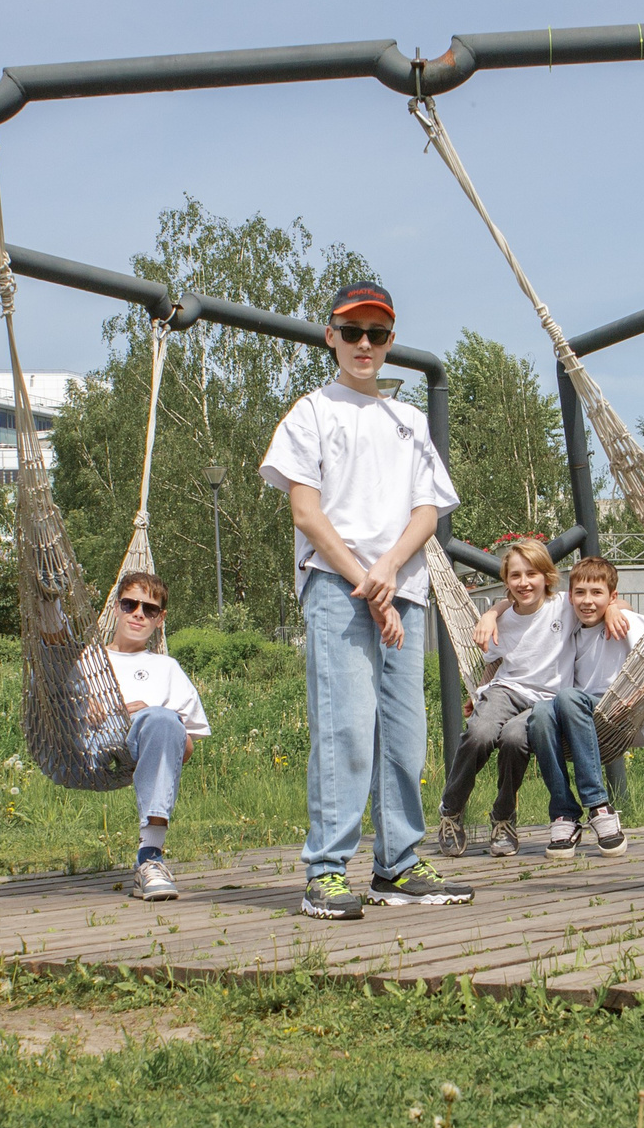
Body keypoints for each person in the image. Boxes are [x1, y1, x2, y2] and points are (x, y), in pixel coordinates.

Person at [260, 279, 474, 921]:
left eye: (376, 334)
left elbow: (427, 511)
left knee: (406, 740)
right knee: (348, 729)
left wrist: (387, 572)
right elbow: (306, 510)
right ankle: (325, 870)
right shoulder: (311, 413)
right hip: (336, 588)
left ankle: (398, 864)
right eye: (351, 331)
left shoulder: (407, 422)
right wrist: (363, 579)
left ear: (389, 342)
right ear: (330, 336)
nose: (363, 344)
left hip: (402, 588)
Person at [438, 540, 571, 859]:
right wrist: (480, 696)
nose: (524, 582)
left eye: (532, 574)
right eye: (515, 575)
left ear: (547, 576)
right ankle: (451, 810)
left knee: (513, 739)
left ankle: (503, 817)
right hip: (507, 690)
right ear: (506, 580)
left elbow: (605, 599)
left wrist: (618, 611)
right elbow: (493, 664)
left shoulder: (565, 606)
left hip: (546, 701)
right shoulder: (503, 619)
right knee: (480, 733)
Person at [92, 569, 210, 903]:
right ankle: (151, 860)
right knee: (156, 715)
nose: (138, 614)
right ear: (116, 607)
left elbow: (183, 750)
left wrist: (153, 717)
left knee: (160, 716)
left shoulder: (166, 668)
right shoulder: (88, 661)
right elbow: (68, 719)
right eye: (130, 604)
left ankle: (150, 858)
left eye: (150, 609)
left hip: (140, 749)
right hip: (93, 749)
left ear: (161, 619)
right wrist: (116, 712)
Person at [528, 555, 644, 859]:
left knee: (567, 697)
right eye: (580, 592)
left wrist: (643, 694)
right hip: (578, 714)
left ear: (612, 597)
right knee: (541, 712)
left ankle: (598, 804)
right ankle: (564, 813)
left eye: (597, 594)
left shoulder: (624, 621)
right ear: (570, 597)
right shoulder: (569, 633)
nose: (587, 601)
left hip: (616, 710)